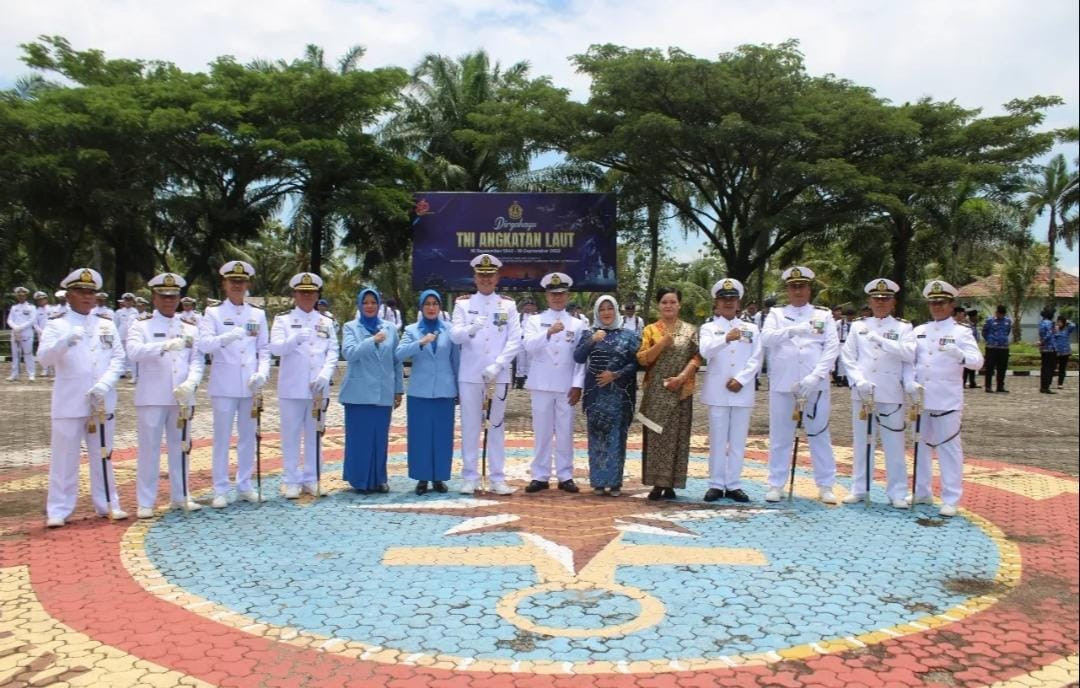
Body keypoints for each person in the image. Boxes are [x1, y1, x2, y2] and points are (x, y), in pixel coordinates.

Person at [37, 268, 127, 526]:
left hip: (101, 400)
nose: (87, 296)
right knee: (64, 458)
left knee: (103, 454)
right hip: (70, 400)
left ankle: (108, 503)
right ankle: (59, 509)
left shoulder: (106, 324)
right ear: (69, 295)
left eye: (91, 292)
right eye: (81, 291)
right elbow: (44, 359)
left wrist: (105, 384)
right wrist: (65, 341)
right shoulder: (57, 325)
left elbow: (119, 358)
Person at [127, 273, 205, 517]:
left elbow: (197, 360)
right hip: (152, 397)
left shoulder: (190, 328)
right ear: (154, 297)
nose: (169, 300)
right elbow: (133, 352)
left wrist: (191, 383)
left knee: (181, 447)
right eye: (164, 296)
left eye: (173, 296)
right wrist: (162, 346)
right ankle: (146, 502)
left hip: (181, 397)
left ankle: (181, 495)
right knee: (149, 449)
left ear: (179, 298)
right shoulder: (141, 325)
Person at [760, 266, 839, 504]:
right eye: (793, 287)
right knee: (780, 435)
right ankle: (776, 483)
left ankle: (826, 485)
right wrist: (793, 330)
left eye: (802, 286)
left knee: (819, 434)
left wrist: (816, 376)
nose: (798, 291)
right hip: (784, 382)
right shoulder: (776, 314)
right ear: (787, 289)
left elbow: (832, 347)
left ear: (809, 289)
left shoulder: (823, 315)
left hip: (815, 384)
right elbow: (766, 338)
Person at [905, 281, 983, 516]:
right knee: (920, 447)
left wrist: (959, 355)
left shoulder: (961, 332)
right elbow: (910, 361)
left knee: (948, 450)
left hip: (946, 400)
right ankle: (922, 492)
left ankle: (950, 498)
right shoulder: (919, 330)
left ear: (951, 305)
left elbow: (977, 362)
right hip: (921, 399)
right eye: (933, 303)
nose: (937, 307)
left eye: (941, 303)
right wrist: (909, 381)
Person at [197, 260, 271, 508]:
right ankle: (220, 488)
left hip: (249, 385)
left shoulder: (257, 314)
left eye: (241, 282)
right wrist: (229, 336)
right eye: (233, 281)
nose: (237, 286)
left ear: (247, 284)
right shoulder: (213, 313)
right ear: (224, 284)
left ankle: (245, 484)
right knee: (222, 438)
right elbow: (204, 344)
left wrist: (262, 373)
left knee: (248, 437)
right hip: (224, 385)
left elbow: (264, 349)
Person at [449, 254, 521, 495]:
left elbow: (515, 339)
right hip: (470, 374)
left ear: (497, 277)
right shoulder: (463, 305)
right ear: (475, 277)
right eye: (482, 275)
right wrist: (471, 328)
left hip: (497, 375)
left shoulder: (508, 305)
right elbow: (454, 336)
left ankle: (497, 477)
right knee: (470, 426)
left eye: (490, 275)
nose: (486, 279)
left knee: (496, 426)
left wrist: (498, 365)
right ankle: (470, 477)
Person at [839, 279, 915, 508]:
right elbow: (848, 356)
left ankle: (897, 492)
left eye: (886, 299)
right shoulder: (858, 326)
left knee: (894, 444)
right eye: (877, 299)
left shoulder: (903, 328)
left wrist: (882, 341)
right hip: (864, 392)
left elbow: (909, 354)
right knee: (862, 442)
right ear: (870, 301)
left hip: (890, 391)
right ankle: (859, 489)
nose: (881, 303)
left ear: (893, 302)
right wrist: (858, 381)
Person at [270, 273, 339, 498]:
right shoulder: (283, 320)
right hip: (292, 388)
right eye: (302, 292)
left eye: (311, 293)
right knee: (290, 436)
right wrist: (295, 338)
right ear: (295, 294)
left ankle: (312, 478)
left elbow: (333, 351)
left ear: (317, 295)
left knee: (315, 435)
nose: (307, 296)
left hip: (317, 389)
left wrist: (325, 374)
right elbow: (275, 349)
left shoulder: (326, 321)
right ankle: (291, 480)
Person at [523, 273, 587, 494]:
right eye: (553, 294)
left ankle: (565, 475)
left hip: (566, 384)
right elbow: (528, 346)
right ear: (546, 296)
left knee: (565, 431)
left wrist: (578, 384)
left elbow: (581, 357)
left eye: (561, 294)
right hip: (541, 384)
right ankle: (540, 476)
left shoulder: (578, 324)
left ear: (568, 295)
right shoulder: (534, 321)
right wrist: (548, 332)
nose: (557, 298)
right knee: (541, 432)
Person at [699, 279, 762, 503]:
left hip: (741, 391)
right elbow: (705, 351)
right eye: (724, 299)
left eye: (732, 299)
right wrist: (725, 338)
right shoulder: (709, 328)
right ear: (716, 302)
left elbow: (757, 358)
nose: (728, 302)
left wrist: (742, 379)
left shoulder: (751, 329)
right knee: (717, 440)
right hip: (717, 392)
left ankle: (734, 484)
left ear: (738, 302)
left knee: (737, 441)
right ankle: (716, 484)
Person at [636, 287, 701, 500]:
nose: (669, 306)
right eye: (664, 302)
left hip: (681, 391)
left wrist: (681, 378)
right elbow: (643, 359)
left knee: (678, 437)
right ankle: (657, 484)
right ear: (659, 305)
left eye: (673, 302)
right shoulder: (650, 330)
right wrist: (662, 343)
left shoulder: (690, 330)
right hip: (656, 394)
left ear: (679, 304)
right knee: (657, 438)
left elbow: (697, 358)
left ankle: (672, 483)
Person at [574, 295, 639, 496]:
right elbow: (578, 357)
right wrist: (592, 341)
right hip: (595, 395)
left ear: (616, 310)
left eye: (610, 308)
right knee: (597, 438)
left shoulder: (629, 336)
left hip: (619, 395)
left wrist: (615, 374)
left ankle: (615, 483)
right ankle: (599, 482)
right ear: (596, 312)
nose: (606, 313)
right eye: (601, 309)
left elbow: (638, 363)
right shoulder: (590, 333)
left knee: (617, 438)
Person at [340, 287, 404, 492]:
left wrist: (398, 389)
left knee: (379, 438)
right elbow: (349, 353)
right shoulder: (351, 327)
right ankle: (359, 480)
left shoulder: (390, 328)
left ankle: (379, 478)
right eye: (365, 302)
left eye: (373, 302)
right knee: (359, 439)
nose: (369, 306)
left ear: (379, 305)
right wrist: (371, 340)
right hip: (358, 394)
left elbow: (396, 360)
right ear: (359, 305)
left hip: (383, 392)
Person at [396, 290, 459, 495]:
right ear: (421, 307)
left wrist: (458, 389)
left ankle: (439, 477)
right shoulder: (411, 330)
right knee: (420, 436)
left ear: (440, 307)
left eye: (435, 304)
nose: (431, 308)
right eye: (427, 304)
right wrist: (420, 343)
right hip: (419, 392)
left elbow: (455, 360)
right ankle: (422, 478)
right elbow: (399, 354)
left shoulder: (450, 330)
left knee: (442, 436)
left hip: (444, 390)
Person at [6, 286, 36, 381]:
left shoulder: (31, 307)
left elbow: (32, 320)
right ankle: (14, 374)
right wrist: (15, 327)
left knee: (28, 354)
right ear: (17, 296)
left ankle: (31, 374)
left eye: (23, 295)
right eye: (19, 295)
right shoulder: (14, 307)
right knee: (15, 355)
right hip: (15, 333)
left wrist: (20, 327)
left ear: (26, 296)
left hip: (26, 334)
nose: (21, 297)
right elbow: (9, 320)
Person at [981, 305, 1012, 393]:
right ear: (996, 312)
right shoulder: (989, 320)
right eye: (999, 314)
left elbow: (1008, 331)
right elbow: (984, 332)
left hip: (1003, 347)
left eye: (1002, 314)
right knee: (990, 368)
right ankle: (988, 386)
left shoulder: (1008, 321)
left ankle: (1000, 386)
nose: (1000, 316)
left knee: (1002, 368)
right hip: (991, 347)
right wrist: (990, 339)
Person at [513, 298, 537, 389]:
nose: (529, 307)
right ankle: (520, 381)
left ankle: (529, 380)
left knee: (530, 361)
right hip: (521, 340)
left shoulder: (537, 317)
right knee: (521, 360)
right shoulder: (519, 316)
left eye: (531, 305)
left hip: (532, 340)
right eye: (527, 305)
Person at [114, 292, 138, 380]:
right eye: (126, 300)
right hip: (121, 335)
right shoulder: (119, 312)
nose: (128, 302)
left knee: (131, 354)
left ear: (132, 302)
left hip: (131, 335)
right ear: (124, 301)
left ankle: (133, 373)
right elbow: (115, 324)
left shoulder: (135, 312)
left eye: (130, 301)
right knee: (121, 354)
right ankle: (122, 372)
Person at [1038, 308, 1057, 394]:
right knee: (1050, 368)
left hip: (1043, 348)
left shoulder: (1041, 322)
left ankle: (1043, 386)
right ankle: (1046, 386)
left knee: (1044, 367)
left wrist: (1041, 342)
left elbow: (1042, 334)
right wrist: (1043, 341)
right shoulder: (1050, 323)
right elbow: (1049, 334)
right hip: (1050, 348)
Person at [1054, 315, 1075, 389]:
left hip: (1065, 352)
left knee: (1062, 369)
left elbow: (1073, 325)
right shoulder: (1055, 329)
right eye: (1058, 322)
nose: (1059, 323)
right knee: (1052, 367)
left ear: (1063, 323)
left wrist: (1068, 321)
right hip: (1055, 351)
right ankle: (1048, 382)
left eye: (1060, 322)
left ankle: (1060, 384)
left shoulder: (1067, 329)